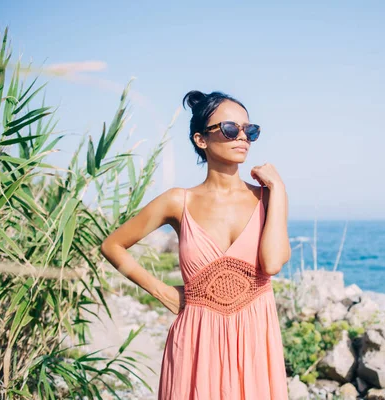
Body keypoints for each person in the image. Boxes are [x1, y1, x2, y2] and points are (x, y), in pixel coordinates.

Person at [100, 90, 291, 399]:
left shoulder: (267, 197)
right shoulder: (178, 201)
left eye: (250, 130)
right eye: (231, 129)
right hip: (197, 337)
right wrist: (162, 291)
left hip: (256, 334)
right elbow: (113, 245)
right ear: (201, 139)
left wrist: (279, 189)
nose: (242, 137)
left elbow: (271, 264)